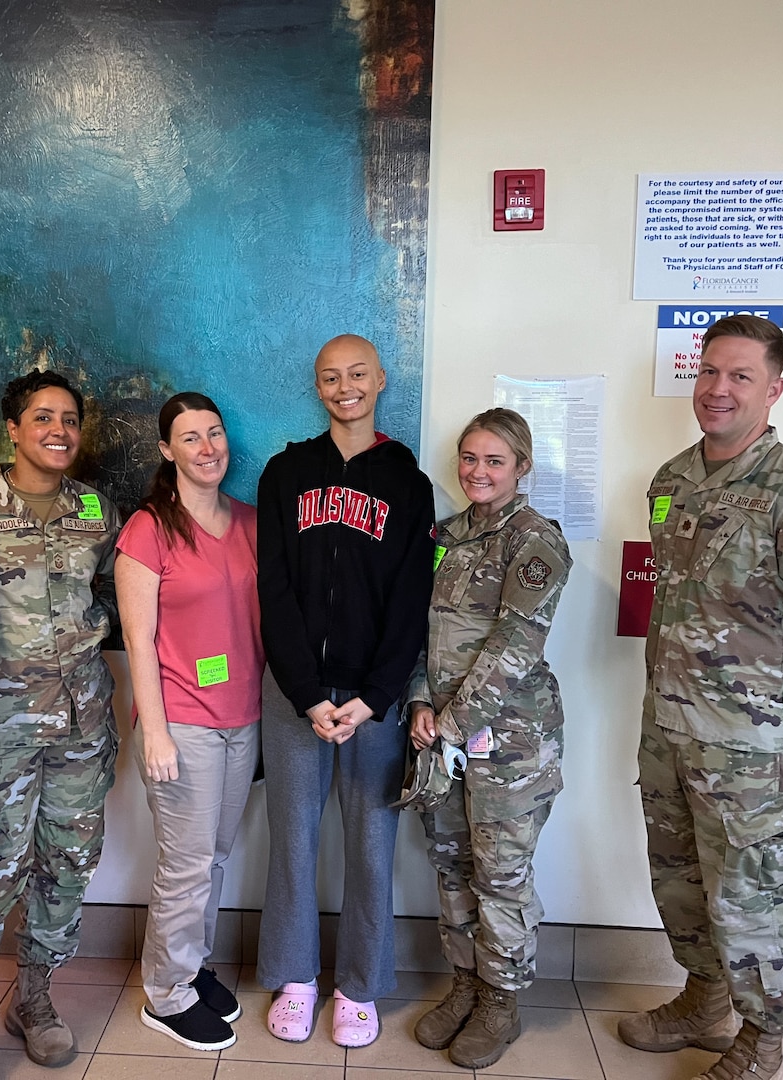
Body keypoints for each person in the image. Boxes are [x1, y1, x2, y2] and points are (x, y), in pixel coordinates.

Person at [620, 315, 783, 1080]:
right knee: (680, 879)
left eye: (740, 376)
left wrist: (773, 714)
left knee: (756, 898)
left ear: (775, 388)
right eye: (710, 373)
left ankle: (763, 1042)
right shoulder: (670, 482)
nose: (719, 390)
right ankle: (705, 1000)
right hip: (669, 730)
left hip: (752, 751)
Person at [0, 370, 121, 1079]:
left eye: (69, 418)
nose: (59, 431)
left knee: (68, 866)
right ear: (12, 428)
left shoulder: (98, 510)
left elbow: (111, 600)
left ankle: (34, 997)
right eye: (43, 418)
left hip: (80, 726)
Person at [256, 333, 435, 1047]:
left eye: (357, 374)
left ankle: (359, 986)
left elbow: (412, 597)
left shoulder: (408, 482)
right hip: (296, 692)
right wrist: (304, 690)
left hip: (374, 701)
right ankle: (296, 977)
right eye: (330, 377)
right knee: (292, 842)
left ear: (381, 379)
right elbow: (273, 587)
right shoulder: (284, 473)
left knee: (370, 843)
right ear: (318, 386)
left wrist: (378, 693)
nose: (344, 387)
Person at [404, 408, 571, 1069]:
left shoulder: (535, 541)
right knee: (451, 865)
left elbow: (515, 646)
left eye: (494, 460)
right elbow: (419, 630)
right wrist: (419, 699)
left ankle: (501, 1002)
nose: (478, 471)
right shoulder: (443, 537)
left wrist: (451, 723)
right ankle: (465, 984)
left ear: (521, 467)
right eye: (470, 458)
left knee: (500, 876)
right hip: (440, 738)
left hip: (510, 744)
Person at [116, 392, 263, 1051]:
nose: (208, 448)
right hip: (184, 725)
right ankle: (166, 996)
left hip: (244, 718)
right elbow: (139, 639)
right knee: (187, 861)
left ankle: (193, 965)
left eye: (215, 434)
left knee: (216, 855)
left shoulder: (252, 522)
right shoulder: (148, 529)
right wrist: (156, 733)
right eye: (191, 438)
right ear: (166, 450)